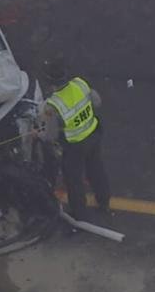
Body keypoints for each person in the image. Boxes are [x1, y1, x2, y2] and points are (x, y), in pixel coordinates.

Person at [38, 57, 111, 222]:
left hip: (76, 146)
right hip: (93, 134)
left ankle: (80, 215)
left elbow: (50, 135)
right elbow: (97, 102)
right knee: (96, 169)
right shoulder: (80, 83)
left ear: (50, 82)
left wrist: (39, 134)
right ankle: (104, 201)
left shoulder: (53, 105)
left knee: (74, 180)